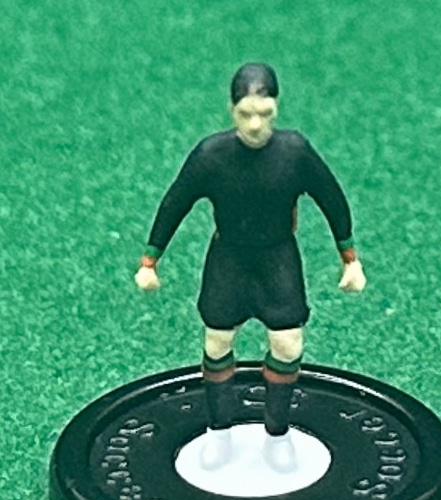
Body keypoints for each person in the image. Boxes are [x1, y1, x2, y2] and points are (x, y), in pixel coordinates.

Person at [135, 62, 366, 471]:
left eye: (264, 113)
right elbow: (176, 202)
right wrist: (150, 260)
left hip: (278, 257)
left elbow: (332, 198)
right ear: (232, 110)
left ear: (276, 108)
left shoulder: (295, 152)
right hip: (228, 258)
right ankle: (219, 431)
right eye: (245, 114)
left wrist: (349, 259)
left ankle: (277, 434)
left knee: (288, 344)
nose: (255, 124)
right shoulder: (211, 155)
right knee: (217, 342)